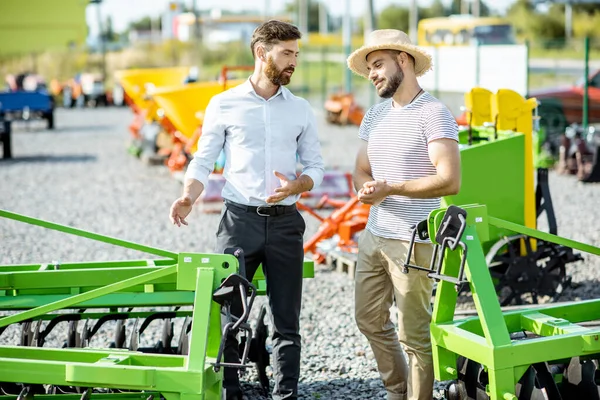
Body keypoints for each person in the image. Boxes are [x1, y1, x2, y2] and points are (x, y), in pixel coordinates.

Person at [169, 20, 324, 400]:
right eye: (286, 54)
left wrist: (300, 184)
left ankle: (286, 395)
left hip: (287, 224)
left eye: (296, 55)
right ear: (261, 53)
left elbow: (316, 166)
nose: (293, 62)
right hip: (238, 223)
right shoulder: (224, 104)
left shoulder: (301, 109)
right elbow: (202, 161)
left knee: (287, 321)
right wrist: (189, 195)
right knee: (229, 316)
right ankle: (232, 392)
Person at [347, 29, 461, 400]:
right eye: (369, 69)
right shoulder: (375, 115)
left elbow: (449, 180)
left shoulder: (434, 113)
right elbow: (361, 168)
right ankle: (397, 388)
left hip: (413, 240)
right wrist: (365, 188)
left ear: (403, 60)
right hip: (374, 233)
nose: (373, 74)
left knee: (412, 335)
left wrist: (391, 187)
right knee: (367, 319)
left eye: (378, 65)